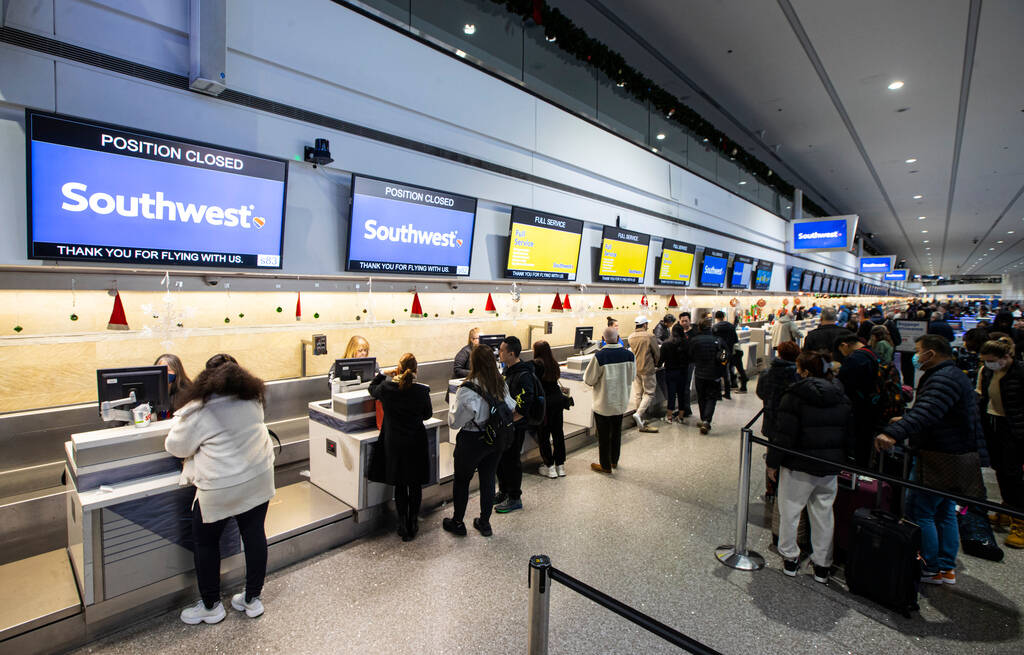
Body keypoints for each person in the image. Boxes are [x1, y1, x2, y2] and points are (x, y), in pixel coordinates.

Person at [165, 354, 275, 625]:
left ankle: (211, 606)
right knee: (254, 536)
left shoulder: (200, 410)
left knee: (205, 542)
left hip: (220, 486)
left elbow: (176, 447)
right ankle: (252, 599)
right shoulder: (253, 399)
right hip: (258, 478)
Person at [875, 335, 986, 585]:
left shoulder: (942, 378)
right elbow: (936, 411)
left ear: (932, 354)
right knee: (945, 512)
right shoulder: (953, 375)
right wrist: (906, 419)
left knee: (922, 511)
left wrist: (893, 432)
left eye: (918, 351)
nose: (916, 356)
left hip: (939, 456)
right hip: (954, 454)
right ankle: (946, 567)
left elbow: (928, 412)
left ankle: (930, 566)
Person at [767, 351, 852, 583]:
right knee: (824, 514)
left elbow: (784, 436)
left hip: (798, 466)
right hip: (829, 467)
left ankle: (790, 559)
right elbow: (848, 433)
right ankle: (822, 566)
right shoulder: (841, 396)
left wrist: (772, 463)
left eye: (798, 367)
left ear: (804, 371)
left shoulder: (794, 396)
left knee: (790, 511)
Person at [444, 345, 515, 537]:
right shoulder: (500, 383)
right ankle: (485, 522)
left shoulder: (467, 389)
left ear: (473, 363)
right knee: (488, 479)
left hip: (471, 440)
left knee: (462, 481)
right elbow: (511, 406)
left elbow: (454, 422)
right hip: (495, 438)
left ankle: (458, 522)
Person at [368, 353, 433, 542]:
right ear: (416, 370)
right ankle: (414, 521)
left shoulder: (387, 389)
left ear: (398, 368)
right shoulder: (421, 391)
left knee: (400, 484)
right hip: (415, 442)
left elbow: (371, 389)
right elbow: (427, 414)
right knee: (414, 483)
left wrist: (382, 373)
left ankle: (402, 523)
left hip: (394, 443)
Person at [977, 336, 1024, 548]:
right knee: (1000, 470)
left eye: (991, 360)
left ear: (1005, 356)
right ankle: (1007, 509)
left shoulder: (1020, 373)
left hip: (1014, 429)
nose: (988, 364)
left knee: (1013, 473)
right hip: (992, 423)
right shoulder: (988, 371)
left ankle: (1019, 522)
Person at [494, 336, 539, 513]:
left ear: (511, 354)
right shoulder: (508, 372)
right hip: (506, 424)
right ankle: (503, 491)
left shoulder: (524, 375)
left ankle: (514, 497)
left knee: (512, 461)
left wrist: (510, 422)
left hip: (515, 426)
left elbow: (524, 405)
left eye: (502, 350)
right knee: (501, 460)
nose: (499, 353)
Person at [584, 326, 636, 473]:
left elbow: (589, 379)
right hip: (620, 402)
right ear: (618, 337)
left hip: (603, 404)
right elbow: (632, 376)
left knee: (604, 436)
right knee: (616, 433)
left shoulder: (600, 356)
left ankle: (605, 466)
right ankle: (614, 461)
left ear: (603, 339)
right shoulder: (629, 355)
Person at [836, 333, 880, 466]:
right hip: (872, 404)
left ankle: (857, 469)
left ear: (845, 345)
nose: (843, 354)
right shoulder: (871, 352)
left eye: (842, 351)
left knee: (859, 443)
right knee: (865, 441)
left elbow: (844, 385)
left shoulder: (855, 359)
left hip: (859, 408)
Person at [532, 340, 567, 478]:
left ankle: (549, 466)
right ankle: (561, 466)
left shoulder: (536, 365)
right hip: (557, 401)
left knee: (544, 435)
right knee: (558, 434)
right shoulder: (554, 363)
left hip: (545, 404)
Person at [688, 318, 726, 434]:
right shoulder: (718, 340)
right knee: (711, 397)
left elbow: (690, 356)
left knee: (701, 397)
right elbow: (725, 355)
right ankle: (706, 420)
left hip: (700, 373)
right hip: (714, 374)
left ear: (699, 328)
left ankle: (703, 418)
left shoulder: (695, 340)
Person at [627, 316, 661, 432]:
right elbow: (656, 352)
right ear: (645, 324)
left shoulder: (631, 337)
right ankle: (638, 414)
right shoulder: (649, 336)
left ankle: (640, 418)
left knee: (638, 394)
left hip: (636, 369)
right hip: (647, 368)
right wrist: (657, 363)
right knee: (649, 393)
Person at [659, 324, 691, 423]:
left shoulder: (666, 343)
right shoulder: (686, 343)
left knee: (671, 394)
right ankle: (680, 417)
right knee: (681, 394)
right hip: (683, 372)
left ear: (672, 332)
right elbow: (690, 357)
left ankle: (669, 416)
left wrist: (658, 364)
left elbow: (661, 359)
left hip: (671, 372)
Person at [713, 310, 747, 396]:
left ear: (716, 318)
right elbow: (735, 339)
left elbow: (714, 341)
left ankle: (725, 391)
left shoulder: (715, 327)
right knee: (738, 368)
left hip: (723, 352)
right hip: (733, 351)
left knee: (724, 370)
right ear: (724, 316)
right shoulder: (731, 326)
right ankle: (739, 385)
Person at [154, 353, 192, 418]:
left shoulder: (186, 391)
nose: (164, 373)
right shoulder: (152, 391)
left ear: (177, 371)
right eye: (160, 370)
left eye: (168, 370)